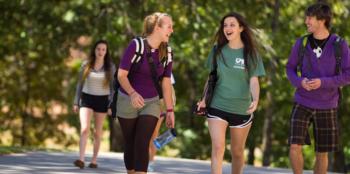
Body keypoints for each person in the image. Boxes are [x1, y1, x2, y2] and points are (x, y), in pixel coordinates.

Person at [196, 12, 265, 174]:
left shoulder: (251, 54)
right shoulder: (217, 51)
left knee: (237, 152)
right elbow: (211, 78)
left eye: (232, 25)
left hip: (242, 109)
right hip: (217, 106)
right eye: (225, 25)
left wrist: (255, 100)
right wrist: (204, 100)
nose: (227, 28)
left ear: (241, 28)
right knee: (218, 147)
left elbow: (254, 81)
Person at [286, 3, 350, 174]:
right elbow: (290, 68)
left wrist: (323, 82)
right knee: (294, 146)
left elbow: (348, 75)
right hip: (302, 101)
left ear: (322, 20)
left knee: (322, 153)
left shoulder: (339, 44)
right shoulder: (301, 43)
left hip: (328, 104)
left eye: (310, 18)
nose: (306, 21)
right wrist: (300, 82)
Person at [116, 12, 175, 174]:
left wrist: (170, 110)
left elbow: (166, 82)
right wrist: (133, 93)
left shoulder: (167, 52)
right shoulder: (136, 46)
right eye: (169, 26)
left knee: (142, 142)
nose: (172, 30)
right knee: (130, 143)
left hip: (152, 102)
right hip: (127, 99)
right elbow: (121, 75)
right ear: (157, 28)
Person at [73, 40, 116, 169]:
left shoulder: (110, 67)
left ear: (106, 52)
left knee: (97, 132)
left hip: (102, 101)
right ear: (94, 50)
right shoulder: (86, 65)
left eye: (103, 49)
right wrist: (76, 102)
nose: (100, 52)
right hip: (86, 98)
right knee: (85, 128)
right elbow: (79, 84)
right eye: (98, 49)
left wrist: (111, 105)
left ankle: (94, 160)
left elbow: (113, 88)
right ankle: (81, 159)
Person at [148, 73, 176, 172]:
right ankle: (143, 160)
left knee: (153, 132)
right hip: (145, 100)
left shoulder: (166, 64)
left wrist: (170, 110)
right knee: (145, 132)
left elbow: (170, 89)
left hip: (160, 103)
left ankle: (150, 161)